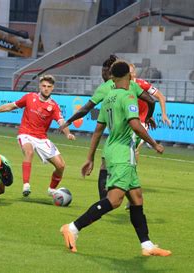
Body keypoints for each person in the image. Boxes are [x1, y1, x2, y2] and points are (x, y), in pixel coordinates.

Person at [60, 61, 171, 257]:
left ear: (113, 77)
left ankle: (147, 245)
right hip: (122, 153)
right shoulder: (128, 96)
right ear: (129, 75)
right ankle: (72, 228)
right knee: (115, 200)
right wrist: (155, 144)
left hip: (112, 149)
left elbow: (98, 130)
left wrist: (90, 158)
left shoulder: (109, 97)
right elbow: (135, 124)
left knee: (136, 198)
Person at [59, 55, 157, 200]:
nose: (103, 75)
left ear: (111, 72)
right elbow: (151, 101)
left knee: (110, 166)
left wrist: (69, 121)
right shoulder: (132, 84)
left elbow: (86, 108)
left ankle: (105, 203)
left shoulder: (105, 88)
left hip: (124, 135)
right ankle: (125, 199)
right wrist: (148, 116)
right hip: (127, 133)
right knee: (123, 165)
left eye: (105, 72)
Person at [0, 75, 75, 197]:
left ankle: (51, 189)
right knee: (29, 152)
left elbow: (61, 121)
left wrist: (68, 133)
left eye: (49, 87)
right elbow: (10, 106)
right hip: (26, 134)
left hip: (42, 138)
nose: (46, 89)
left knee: (61, 166)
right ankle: (26, 185)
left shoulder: (54, 106)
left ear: (52, 88)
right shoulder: (29, 98)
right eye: (44, 86)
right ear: (40, 86)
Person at [129, 64, 171, 159]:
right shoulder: (122, 87)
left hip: (142, 120)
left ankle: (132, 171)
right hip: (128, 120)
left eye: (130, 72)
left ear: (134, 73)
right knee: (126, 149)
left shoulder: (142, 84)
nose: (128, 74)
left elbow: (161, 96)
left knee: (134, 148)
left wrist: (164, 114)